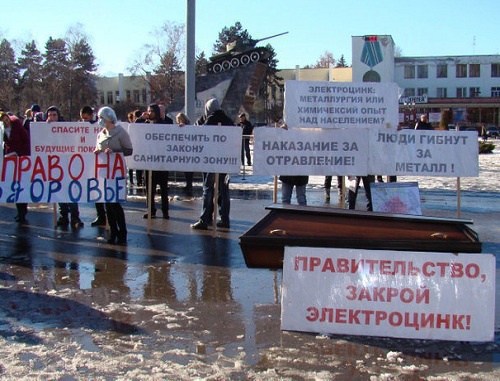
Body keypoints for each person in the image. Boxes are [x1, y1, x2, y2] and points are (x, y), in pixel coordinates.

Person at [191, 98, 233, 230]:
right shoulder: (228, 121)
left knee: (208, 189)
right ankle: (224, 218)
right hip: (225, 161)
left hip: (211, 160)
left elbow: (199, 136)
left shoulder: (209, 120)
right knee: (224, 191)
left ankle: (205, 219)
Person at [94, 106, 133, 244]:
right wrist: (98, 151)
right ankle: (113, 231)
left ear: (109, 119)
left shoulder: (120, 132)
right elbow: (99, 147)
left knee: (115, 204)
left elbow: (129, 150)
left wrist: (114, 151)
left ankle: (122, 232)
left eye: (102, 118)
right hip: (105, 173)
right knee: (107, 204)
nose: (100, 121)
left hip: (116, 172)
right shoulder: (101, 134)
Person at [46, 106, 84, 228]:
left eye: (54, 115)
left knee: (71, 190)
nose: (52, 118)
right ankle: (64, 216)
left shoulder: (66, 128)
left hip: (67, 164)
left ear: (58, 116)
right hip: (55, 166)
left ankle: (75, 217)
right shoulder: (43, 129)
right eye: (50, 115)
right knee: (59, 191)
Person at [1, 111, 30, 222]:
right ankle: (20, 212)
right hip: (10, 160)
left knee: (22, 184)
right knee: (15, 185)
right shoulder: (2, 130)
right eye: (3, 122)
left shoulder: (17, 125)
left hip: (21, 158)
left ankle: (23, 210)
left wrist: (19, 153)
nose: (6, 123)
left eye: (7, 120)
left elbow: (26, 141)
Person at [142, 104, 170, 219]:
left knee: (163, 189)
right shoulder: (145, 125)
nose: (150, 113)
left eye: (152, 111)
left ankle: (165, 211)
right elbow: (135, 131)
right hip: (149, 163)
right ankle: (150, 210)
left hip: (161, 163)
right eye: (149, 111)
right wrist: (140, 119)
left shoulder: (163, 125)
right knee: (149, 189)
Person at [80, 106, 106, 227]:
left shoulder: (100, 125)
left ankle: (107, 216)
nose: (84, 121)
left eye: (86, 118)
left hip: (102, 161)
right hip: (90, 162)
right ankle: (100, 215)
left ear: (91, 115)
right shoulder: (80, 126)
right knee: (95, 189)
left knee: (104, 189)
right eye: (82, 119)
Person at [175, 112, 194, 192]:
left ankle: (189, 184)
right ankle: (189, 184)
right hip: (187, 151)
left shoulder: (188, 127)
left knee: (188, 170)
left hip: (188, 152)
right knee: (188, 170)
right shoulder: (190, 126)